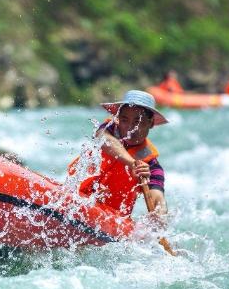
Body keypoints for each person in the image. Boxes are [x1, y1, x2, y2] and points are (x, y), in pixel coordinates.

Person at [68, 90, 168, 219]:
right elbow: (104, 140)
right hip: (75, 197)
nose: (130, 128)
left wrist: (159, 217)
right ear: (118, 119)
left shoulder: (152, 167)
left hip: (110, 219)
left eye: (137, 121)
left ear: (150, 123)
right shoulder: (107, 129)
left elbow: (158, 200)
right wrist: (132, 163)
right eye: (125, 120)